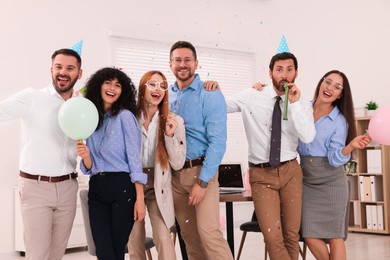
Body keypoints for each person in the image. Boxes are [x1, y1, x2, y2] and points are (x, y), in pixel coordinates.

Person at [227, 52, 316, 260]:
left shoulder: (302, 104)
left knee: (291, 236)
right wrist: (209, 88)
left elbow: (308, 136)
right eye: (279, 69)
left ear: (296, 73)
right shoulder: (252, 95)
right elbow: (219, 106)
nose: (284, 74)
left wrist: (293, 104)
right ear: (270, 73)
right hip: (261, 174)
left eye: (289, 69)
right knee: (272, 237)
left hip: (291, 171)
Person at [0, 49, 82, 260]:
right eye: (59, 67)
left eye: (70, 68)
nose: (63, 72)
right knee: (37, 255)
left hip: (67, 187)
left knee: (57, 254)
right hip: (36, 187)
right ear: (51, 70)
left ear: (79, 73)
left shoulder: (82, 105)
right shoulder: (33, 97)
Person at [168, 40, 233, 260]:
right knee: (190, 238)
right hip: (174, 177)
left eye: (187, 60)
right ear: (171, 64)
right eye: (178, 60)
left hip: (200, 173)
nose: (182, 64)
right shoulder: (166, 96)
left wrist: (202, 182)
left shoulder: (210, 94)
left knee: (210, 236)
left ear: (196, 64)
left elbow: (218, 142)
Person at [298, 70, 371, 260]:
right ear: (321, 83)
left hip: (331, 182)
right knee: (309, 234)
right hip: (306, 181)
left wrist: (350, 147)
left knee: (335, 236)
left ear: (340, 94)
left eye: (337, 87)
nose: (330, 88)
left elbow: (333, 159)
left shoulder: (339, 121)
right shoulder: (303, 107)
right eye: (328, 82)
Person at [76, 67, 147, 260]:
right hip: (97, 187)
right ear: (98, 86)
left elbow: (134, 159)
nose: (112, 88)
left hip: (122, 187)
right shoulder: (91, 120)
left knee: (115, 250)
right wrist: (86, 156)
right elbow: (90, 167)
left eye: (117, 85)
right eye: (108, 82)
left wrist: (140, 199)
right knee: (103, 251)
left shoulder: (125, 116)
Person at [128, 70, 186, 260]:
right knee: (135, 241)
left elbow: (177, 164)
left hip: (157, 186)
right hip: (131, 185)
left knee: (163, 237)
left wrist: (169, 136)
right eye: (152, 84)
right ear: (143, 88)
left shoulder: (174, 120)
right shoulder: (129, 118)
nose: (158, 89)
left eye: (162, 86)